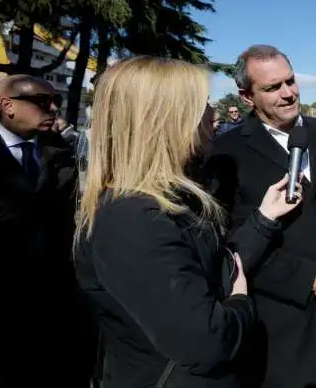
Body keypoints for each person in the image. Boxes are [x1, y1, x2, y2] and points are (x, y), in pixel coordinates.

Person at [74, 57, 302, 388]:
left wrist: (264, 218)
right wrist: (240, 303)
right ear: (164, 121)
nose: (215, 115)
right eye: (201, 106)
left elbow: (214, 269)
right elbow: (207, 341)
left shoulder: (169, 200)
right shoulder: (130, 219)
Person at [209, 45, 316, 388]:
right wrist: (307, 278)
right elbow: (229, 241)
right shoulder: (228, 153)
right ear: (246, 96)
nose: (288, 94)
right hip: (285, 336)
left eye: (290, 81)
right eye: (272, 87)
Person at [0, 75, 95, 387]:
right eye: (41, 101)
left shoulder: (60, 153)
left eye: (55, 102)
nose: (52, 108)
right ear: (8, 106)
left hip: (54, 297)